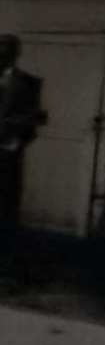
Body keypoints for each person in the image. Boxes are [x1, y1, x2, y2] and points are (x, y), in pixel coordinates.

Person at [0, 37, 41, 273]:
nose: (1, 55)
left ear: (16, 54)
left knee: (6, 206)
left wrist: (16, 141)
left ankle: (5, 260)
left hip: (8, 157)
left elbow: (33, 120)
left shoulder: (29, 83)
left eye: (6, 50)